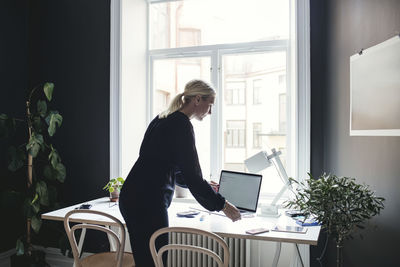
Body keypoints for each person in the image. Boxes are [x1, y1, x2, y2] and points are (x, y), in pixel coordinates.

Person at [119, 79, 241, 267]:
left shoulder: (162, 118)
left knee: (147, 260)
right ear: (198, 99)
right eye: (210, 105)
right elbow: (191, 176)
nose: (210, 112)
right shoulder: (182, 125)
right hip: (147, 202)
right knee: (156, 261)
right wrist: (222, 204)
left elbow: (170, 167)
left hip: (131, 197)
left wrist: (205, 186)